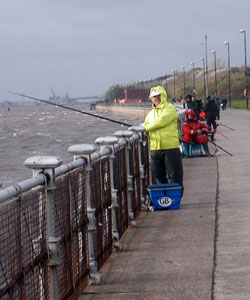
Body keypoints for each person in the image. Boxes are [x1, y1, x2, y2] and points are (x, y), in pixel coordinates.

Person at [143, 86, 183, 191]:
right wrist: (143, 133)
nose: (155, 99)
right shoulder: (150, 114)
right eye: (153, 97)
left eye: (157, 96)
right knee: (158, 176)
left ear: (163, 96)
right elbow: (146, 126)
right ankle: (165, 197)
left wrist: (146, 128)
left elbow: (162, 121)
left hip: (170, 147)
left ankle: (176, 197)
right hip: (155, 148)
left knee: (175, 175)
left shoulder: (170, 108)